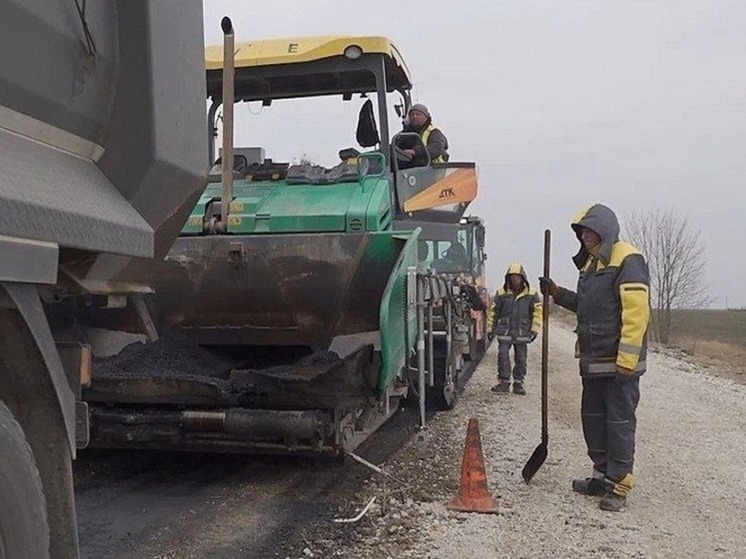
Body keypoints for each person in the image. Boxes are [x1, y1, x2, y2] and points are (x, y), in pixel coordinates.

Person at [539, 203, 650, 512]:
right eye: (581, 231)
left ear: (604, 230)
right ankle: (600, 476)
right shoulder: (591, 265)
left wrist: (626, 359)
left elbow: (636, 314)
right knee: (594, 421)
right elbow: (588, 310)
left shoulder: (628, 259)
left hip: (619, 365)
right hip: (594, 361)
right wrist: (557, 293)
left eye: (588, 230)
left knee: (618, 422)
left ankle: (619, 484)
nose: (584, 236)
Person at [489, 263, 542, 395]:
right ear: (508, 278)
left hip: (522, 332)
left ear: (523, 278)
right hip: (505, 332)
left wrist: (535, 329)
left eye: (517, 277)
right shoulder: (501, 293)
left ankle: (518, 383)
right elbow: (493, 311)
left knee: (521, 359)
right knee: (503, 356)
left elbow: (537, 311)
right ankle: (504, 382)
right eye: (512, 277)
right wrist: (490, 329)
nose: (515, 280)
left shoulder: (532, 293)